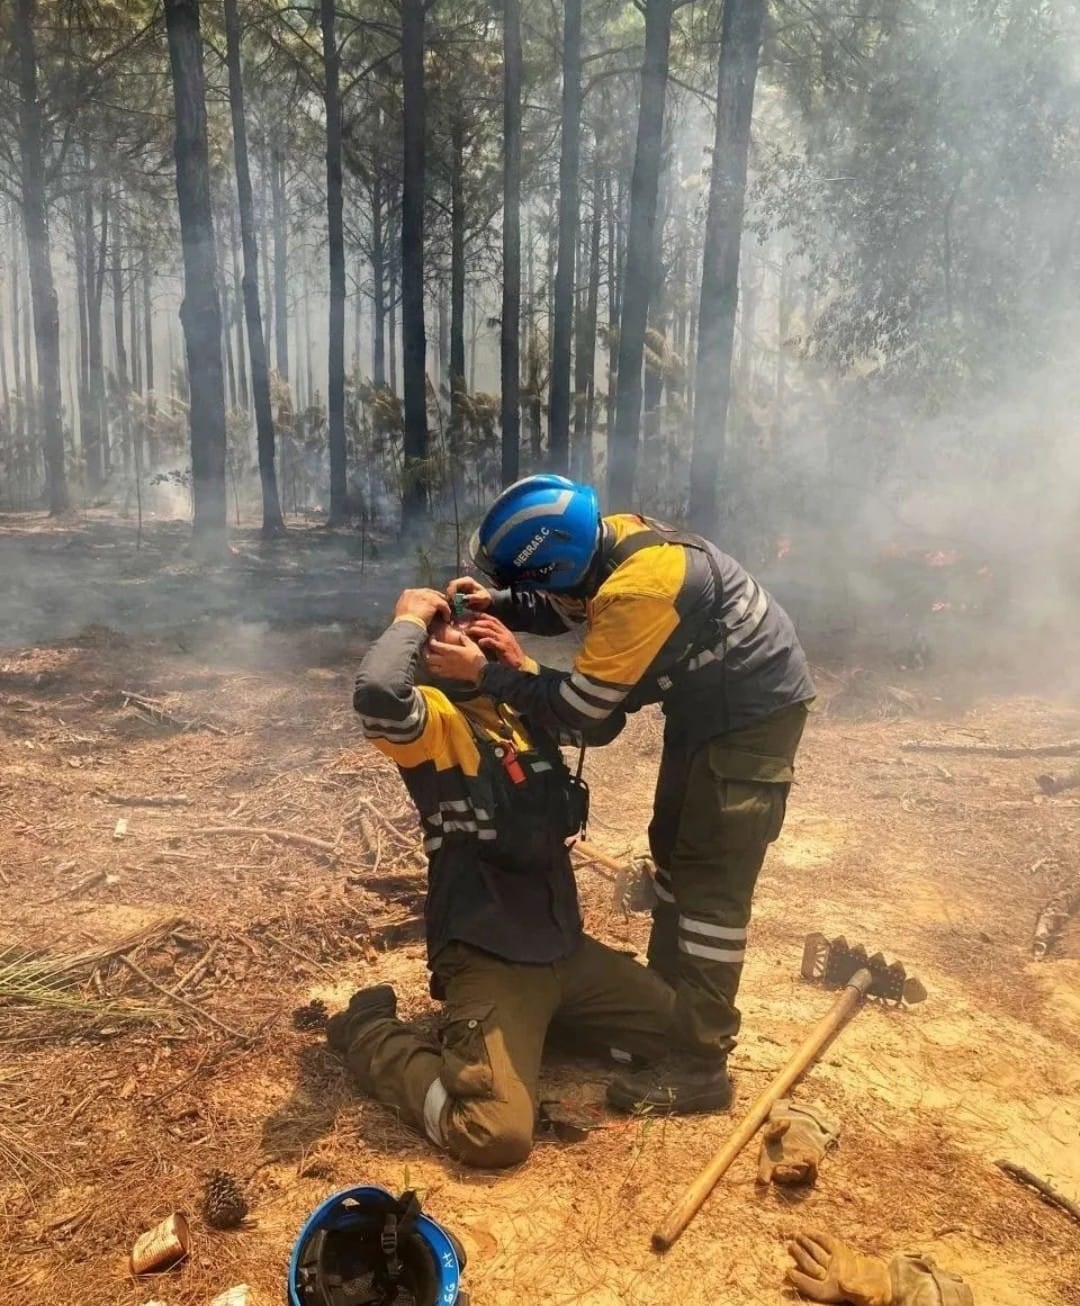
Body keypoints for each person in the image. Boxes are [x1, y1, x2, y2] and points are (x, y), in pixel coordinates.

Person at [427, 474, 815, 1115]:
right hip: (708, 706)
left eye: (532, 579)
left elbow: (587, 715)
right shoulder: (612, 541)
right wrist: (497, 603)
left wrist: (488, 673)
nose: (533, 593)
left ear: (557, 561)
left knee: (711, 882)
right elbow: (569, 602)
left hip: (751, 715)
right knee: (674, 854)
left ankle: (699, 1062)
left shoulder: (640, 588)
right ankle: (667, 1008)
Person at [327, 587, 674, 1169]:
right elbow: (380, 695)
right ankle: (369, 1033)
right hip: (492, 952)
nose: (463, 631)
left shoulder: (516, 707)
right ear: (427, 654)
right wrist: (411, 617)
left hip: (562, 949)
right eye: (445, 629)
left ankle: (534, 1033)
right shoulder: (435, 724)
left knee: (683, 1035)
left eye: (466, 623)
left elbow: (602, 723)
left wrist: (518, 667)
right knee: (495, 1134)